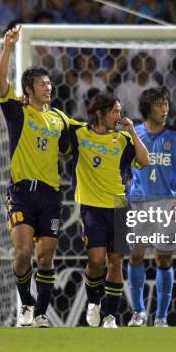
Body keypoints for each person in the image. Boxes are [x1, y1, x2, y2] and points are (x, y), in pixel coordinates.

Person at [0, 25, 70, 328]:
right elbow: (1, 81)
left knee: (46, 257)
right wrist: (8, 48)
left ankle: (40, 313)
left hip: (50, 194)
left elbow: (68, 148)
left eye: (49, 83)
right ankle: (26, 305)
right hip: (22, 192)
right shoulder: (17, 111)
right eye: (42, 83)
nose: (48, 87)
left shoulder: (59, 118)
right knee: (24, 250)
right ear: (29, 89)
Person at [68, 93, 149, 328]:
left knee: (116, 262)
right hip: (92, 205)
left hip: (119, 205)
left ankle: (110, 316)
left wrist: (133, 131)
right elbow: (57, 121)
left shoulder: (123, 139)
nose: (119, 116)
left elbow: (145, 161)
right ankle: (94, 302)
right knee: (96, 261)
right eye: (114, 111)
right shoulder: (78, 133)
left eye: (120, 111)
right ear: (99, 114)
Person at [126, 87, 176, 327]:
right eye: (160, 105)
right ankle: (138, 312)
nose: (165, 109)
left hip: (167, 204)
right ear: (148, 108)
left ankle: (161, 317)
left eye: (166, 104)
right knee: (136, 256)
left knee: (163, 261)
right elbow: (121, 167)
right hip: (139, 203)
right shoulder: (133, 134)